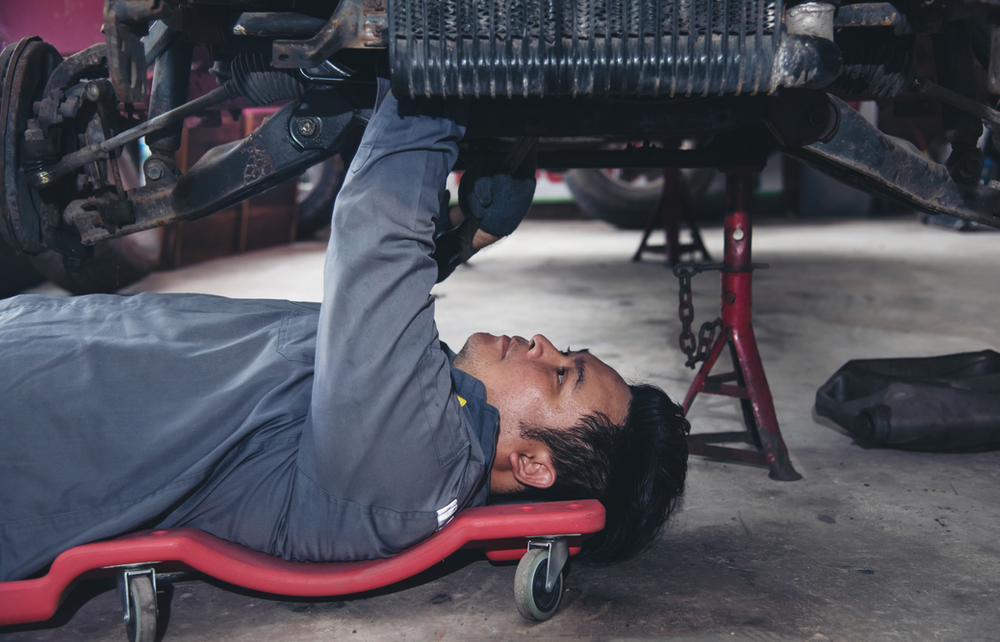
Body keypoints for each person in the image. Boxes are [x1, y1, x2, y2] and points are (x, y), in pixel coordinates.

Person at [0, 80, 689, 582]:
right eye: (567, 352)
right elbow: (383, 327)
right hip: (39, 354)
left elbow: (378, 236)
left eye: (560, 374)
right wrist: (467, 236)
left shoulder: (416, 470)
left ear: (533, 467)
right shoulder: (435, 421)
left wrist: (442, 71)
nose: (543, 346)